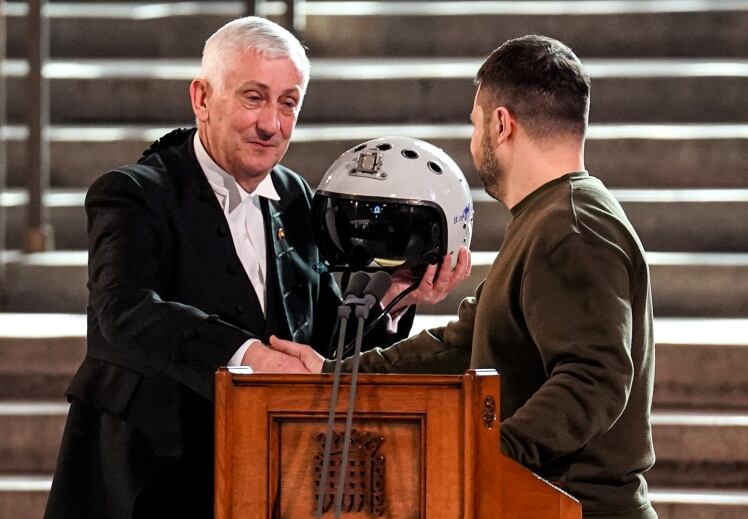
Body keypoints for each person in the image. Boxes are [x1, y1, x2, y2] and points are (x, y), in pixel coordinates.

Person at [43, 17, 469, 519]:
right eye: (253, 97)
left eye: (288, 103)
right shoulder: (132, 193)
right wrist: (247, 355)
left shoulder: (295, 196)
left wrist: (395, 299)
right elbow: (125, 310)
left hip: (268, 478)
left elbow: (320, 342)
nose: (271, 124)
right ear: (201, 98)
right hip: (146, 481)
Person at [271, 35, 657, 518]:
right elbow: (460, 344)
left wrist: (486, 453)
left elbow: (595, 378)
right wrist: (332, 375)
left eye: (475, 125)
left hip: (576, 507)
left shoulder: (571, 228)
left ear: (501, 124)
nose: (474, 142)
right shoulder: (552, 217)